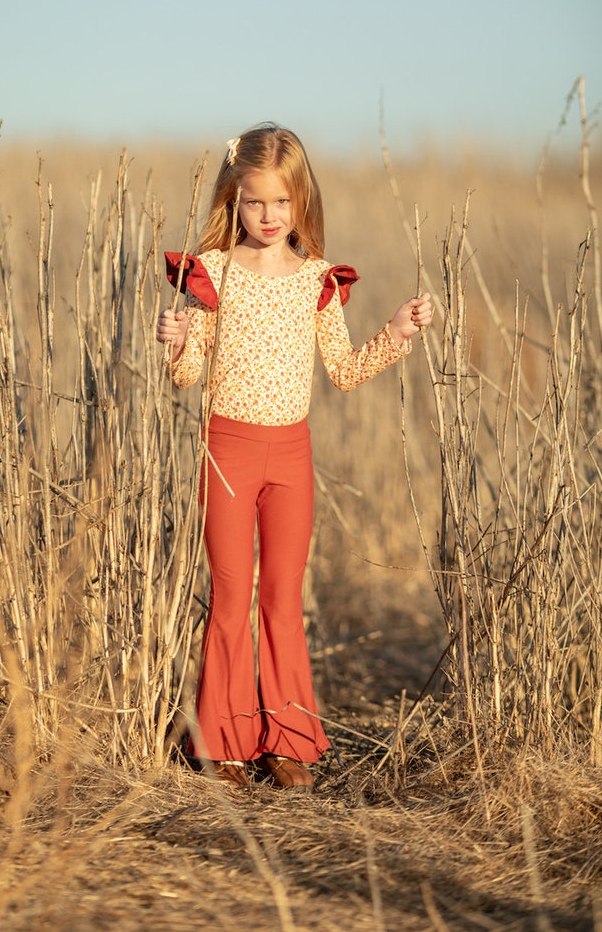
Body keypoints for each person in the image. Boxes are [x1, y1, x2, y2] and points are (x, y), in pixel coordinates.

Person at [156, 124, 433, 790]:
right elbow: (188, 376)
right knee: (230, 597)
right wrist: (177, 338)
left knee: (281, 596)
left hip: (291, 457)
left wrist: (394, 334)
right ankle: (221, 741)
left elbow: (342, 369)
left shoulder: (318, 281)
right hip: (227, 450)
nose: (269, 216)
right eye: (255, 203)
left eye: (282, 202)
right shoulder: (213, 273)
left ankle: (286, 740)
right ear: (234, 199)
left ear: (300, 201)